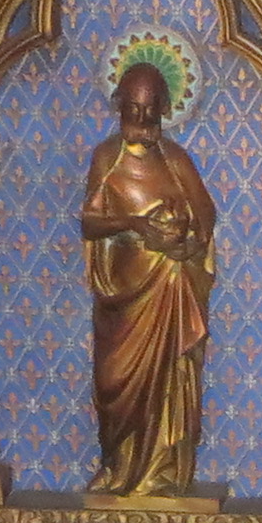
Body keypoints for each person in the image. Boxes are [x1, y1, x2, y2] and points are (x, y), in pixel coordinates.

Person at [78, 53, 216, 497]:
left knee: (169, 379)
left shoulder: (176, 160)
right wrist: (135, 224)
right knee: (114, 382)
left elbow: (206, 216)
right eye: (133, 109)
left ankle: (165, 471)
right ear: (120, 106)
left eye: (150, 109)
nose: (141, 119)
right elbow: (89, 223)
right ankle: (118, 467)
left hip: (168, 287)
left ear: (163, 109)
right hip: (122, 296)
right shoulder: (106, 157)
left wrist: (185, 240)